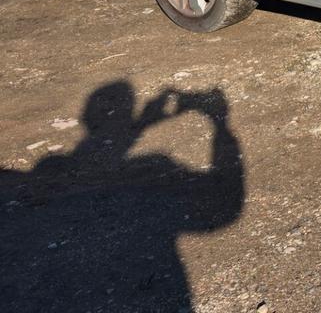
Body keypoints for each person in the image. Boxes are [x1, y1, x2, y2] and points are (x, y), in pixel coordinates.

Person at [0, 80, 244, 313]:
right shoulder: (154, 164)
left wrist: (143, 124)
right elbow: (226, 207)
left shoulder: (47, 171)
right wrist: (218, 122)